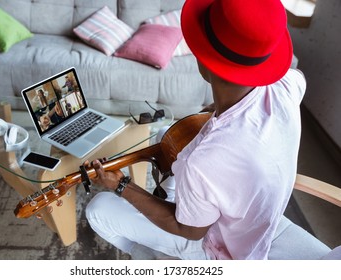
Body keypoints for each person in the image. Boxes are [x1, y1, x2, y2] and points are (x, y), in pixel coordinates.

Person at [84, 0, 306, 260]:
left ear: (206, 63)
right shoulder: (286, 86)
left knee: (98, 209)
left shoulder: (203, 160)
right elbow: (297, 78)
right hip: (257, 213)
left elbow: (188, 230)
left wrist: (121, 184)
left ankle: (150, 257)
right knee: (165, 134)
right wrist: (218, 110)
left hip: (224, 248)